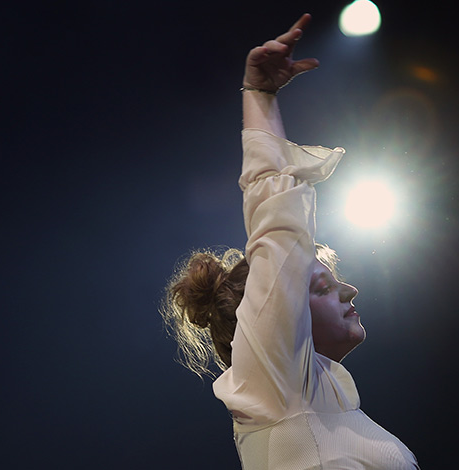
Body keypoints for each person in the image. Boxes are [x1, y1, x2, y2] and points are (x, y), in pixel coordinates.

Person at [162, 14, 418, 469]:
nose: (351, 289)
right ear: (271, 314)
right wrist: (259, 96)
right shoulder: (273, 383)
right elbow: (277, 221)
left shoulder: (327, 403)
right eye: (320, 286)